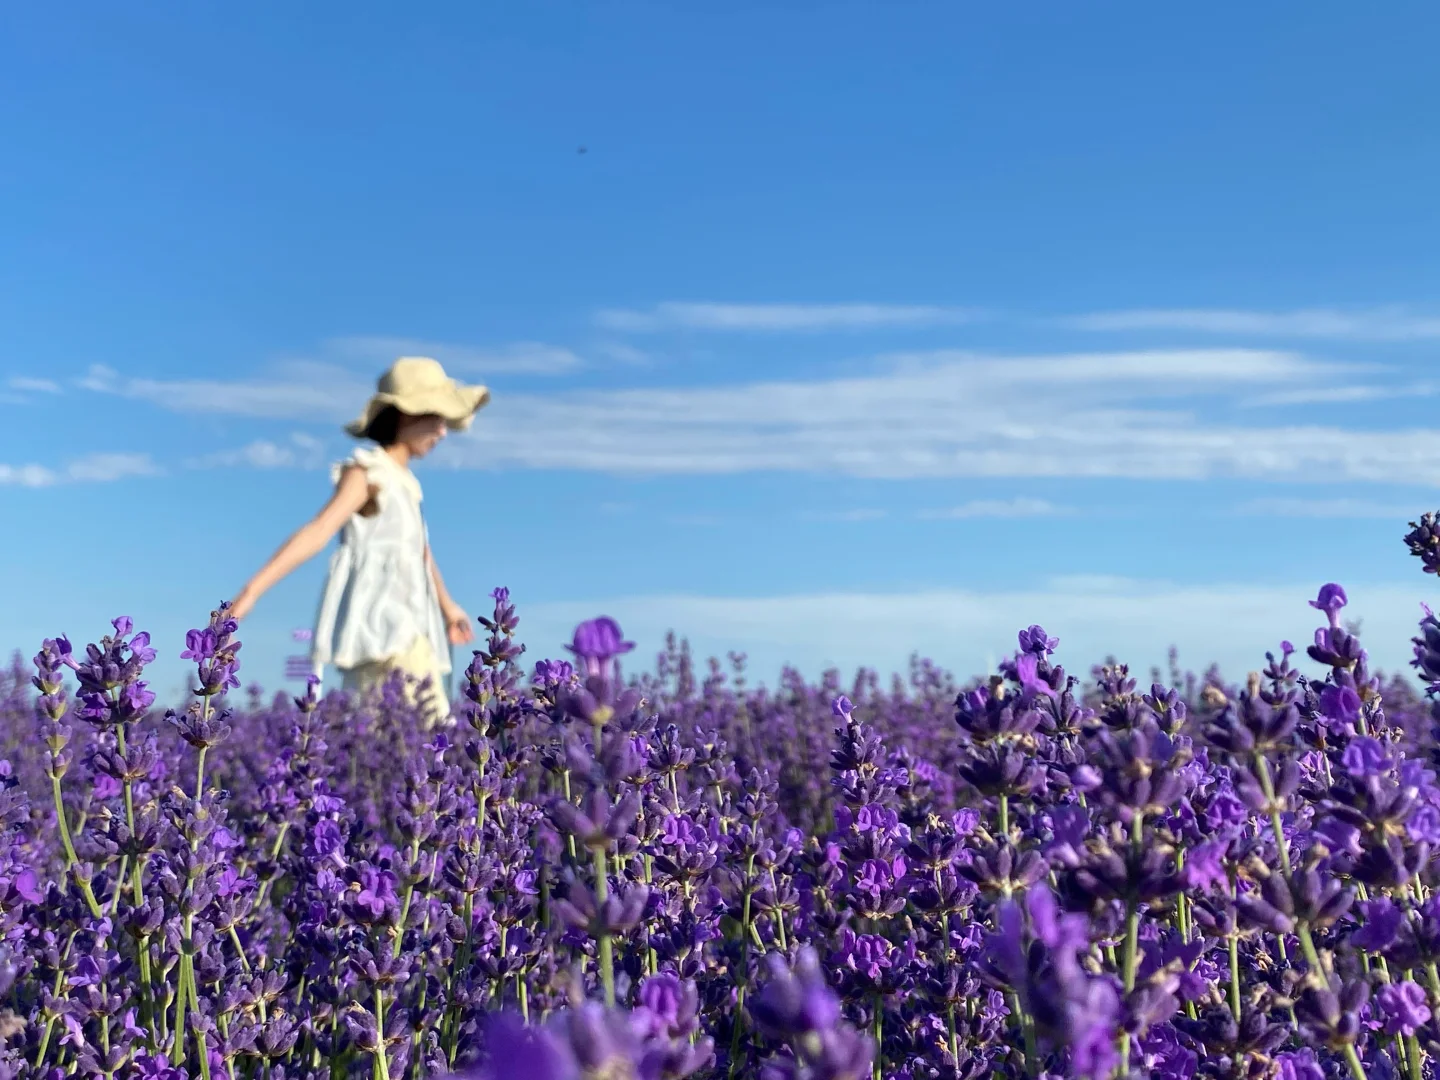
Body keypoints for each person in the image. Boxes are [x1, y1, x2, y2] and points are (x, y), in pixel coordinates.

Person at [229, 356, 488, 725]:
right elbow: (319, 530)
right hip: (379, 619)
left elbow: (420, 553)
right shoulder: (368, 471)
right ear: (407, 415)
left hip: (414, 621)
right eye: (438, 418)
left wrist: (448, 608)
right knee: (411, 726)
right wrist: (252, 591)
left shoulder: (408, 483)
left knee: (407, 727)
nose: (443, 432)